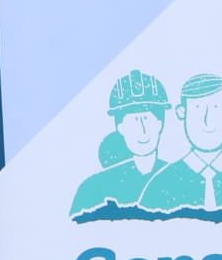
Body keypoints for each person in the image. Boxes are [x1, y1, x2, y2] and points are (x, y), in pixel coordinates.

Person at [137, 74, 222, 214]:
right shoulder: (162, 185)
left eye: (215, 107)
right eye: (197, 108)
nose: (207, 120)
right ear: (182, 112)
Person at [70, 70, 171, 215]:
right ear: (120, 128)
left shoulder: (178, 181)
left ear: (160, 124)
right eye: (134, 121)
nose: (143, 130)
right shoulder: (93, 188)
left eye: (147, 119)